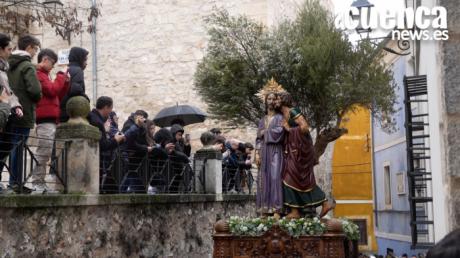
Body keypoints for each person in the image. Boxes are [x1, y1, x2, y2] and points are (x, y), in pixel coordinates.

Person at [278, 91, 335, 219]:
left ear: (282, 101)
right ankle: (322, 203)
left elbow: (305, 127)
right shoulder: (282, 115)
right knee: (300, 180)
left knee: (289, 178)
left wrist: (289, 129)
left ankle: (296, 211)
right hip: (293, 150)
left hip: (302, 150)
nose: (274, 102)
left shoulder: (293, 111)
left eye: (276, 99)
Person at [6, 35, 42, 192]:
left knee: (10, 147)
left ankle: (12, 182)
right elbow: (35, 91)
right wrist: (38, 96)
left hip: (8, 111)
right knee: (19, 148)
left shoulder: (7, 63)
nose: (35, 52)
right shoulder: (27, 66)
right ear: (29, 48)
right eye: (35, 49)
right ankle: (15, 183)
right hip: (24, 111)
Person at [31, 48, 70, 194]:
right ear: (45, 60)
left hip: (51, 119)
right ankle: (37, 183)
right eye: (52, 63)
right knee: (44, 151)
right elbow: (52, 91)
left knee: (46, 152)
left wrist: (65, 83)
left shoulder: (45, 76)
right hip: (44, 119)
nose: (54, 66)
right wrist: (61, 74)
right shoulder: (39, 75)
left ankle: (40, 183)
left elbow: (57, 95)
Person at [255, 79, 285, 217]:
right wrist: (257, 154)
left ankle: (277, 209)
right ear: (265, 101)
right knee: (264, 177)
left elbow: (280, 132)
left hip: (275, 151)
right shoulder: (262, 120)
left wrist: (265, 133)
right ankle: (265, 209)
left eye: (274, 99)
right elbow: (258, 139)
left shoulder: (280, 117)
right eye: (269, 99)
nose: (271, 101)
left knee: (275, 177)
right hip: (264, 151)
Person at [87, 96, 125, 190]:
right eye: (111, 108)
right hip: (94, 161)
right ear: (105, 107)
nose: (111, 112)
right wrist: (116, 140)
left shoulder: (94, 117)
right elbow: (103, 145)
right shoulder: (97, 122)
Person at [0, 33, 21, 191]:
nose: (10, 52)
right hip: (2, 114)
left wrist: (16, 105)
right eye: (8, 49)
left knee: (4, 148)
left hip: (6, 114)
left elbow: (8, 92)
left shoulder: (3, 69)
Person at [60, 47, 89, 122]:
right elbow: (75, 90)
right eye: (85, 59)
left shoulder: (66, 69)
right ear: (80, 59)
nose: (86, 63)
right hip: (71, 111)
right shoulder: (78, 70)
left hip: (62, 110)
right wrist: (86, 98)